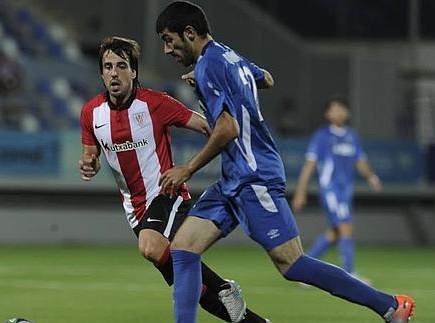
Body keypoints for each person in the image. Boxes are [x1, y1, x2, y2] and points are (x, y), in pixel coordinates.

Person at [154, 2, 415, 323]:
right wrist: (224, 81)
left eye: (169, 39)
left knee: (291, 264)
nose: (167, 49)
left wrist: (187, 168)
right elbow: (267, 79)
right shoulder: (227, 57)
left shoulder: (210, 66)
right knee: (183, 248)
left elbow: (228, 128)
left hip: (254, 176)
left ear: (189, 33)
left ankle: (390, 306)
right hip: (235, 177)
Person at [79, 36, 269, 323]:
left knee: (151, 248)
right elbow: (89, 154)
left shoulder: (155, 103)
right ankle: (247, 316)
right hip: (135, 210)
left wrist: (235, 140)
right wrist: (88, 164)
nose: (114, 73)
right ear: (101, 72)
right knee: (189, 279)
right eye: (107, 66)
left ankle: (220, 291)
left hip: (167, 194)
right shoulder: (91, 112)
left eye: (121, 66)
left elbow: (206, 125)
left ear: (134, 72)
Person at [292, 98, 382, 277]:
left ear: (347, 113)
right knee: (346, 228)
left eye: (342, 109)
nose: (339, 112)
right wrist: (300, 192)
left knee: (335, 233)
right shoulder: (322, 136)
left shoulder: (352, 136)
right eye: (334, 109)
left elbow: (360, 161)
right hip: (331, 190)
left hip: (345, 191)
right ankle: (350, 274)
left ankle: (301, 271)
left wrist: (371, 176)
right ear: (327, 114)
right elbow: (309, 164)